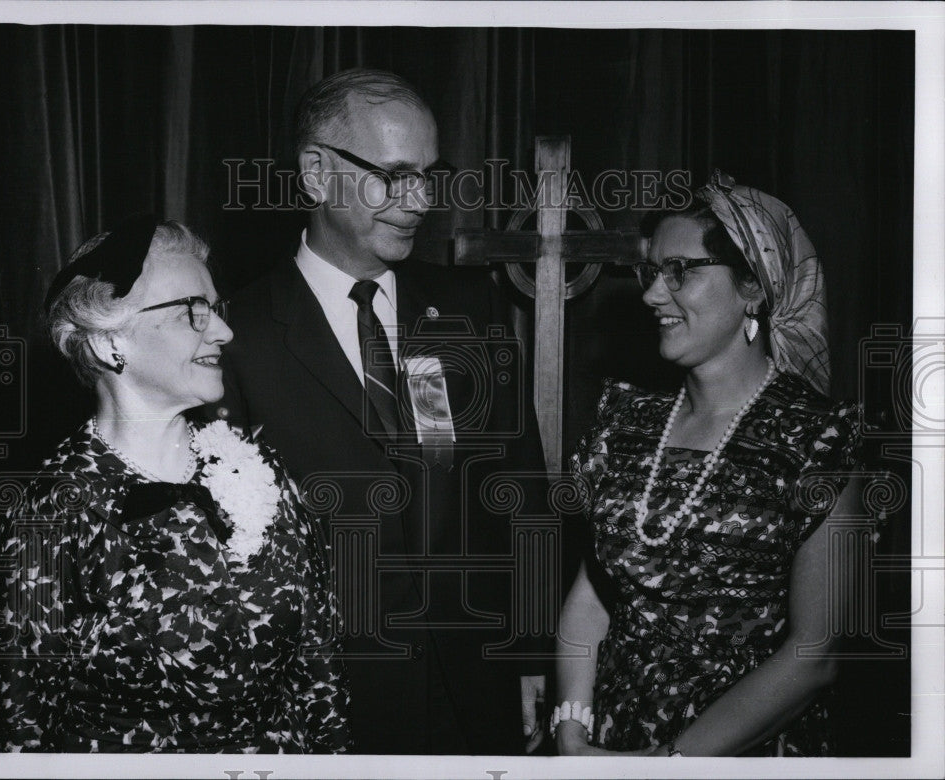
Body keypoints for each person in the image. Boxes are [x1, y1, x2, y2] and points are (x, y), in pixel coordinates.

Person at [214, 68, 551, 754]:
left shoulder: (468, 307)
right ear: (315, 174)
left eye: (429, 175)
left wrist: (531, 654)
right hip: (329, 706)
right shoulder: (233, 335)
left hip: (475, 692)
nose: (419, 200)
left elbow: (520, 494)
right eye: (395, 175)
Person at [0, 215, 349, 752]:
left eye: (215, 308)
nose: (222, 330)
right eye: (192, 312)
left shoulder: (256, 463)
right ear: (110, 342)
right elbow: (20, 729)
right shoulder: (55, 512)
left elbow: (322, 672)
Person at [554, 171, 864, 756]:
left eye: (682, 271)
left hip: (742, 752)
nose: (651, 294)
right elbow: (595, 594)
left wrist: (672, 765)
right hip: (609, 744)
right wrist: (571, 729)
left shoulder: (818, 439)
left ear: (754, 286)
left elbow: (813, 655)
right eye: (652, 271)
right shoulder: (624, 421)